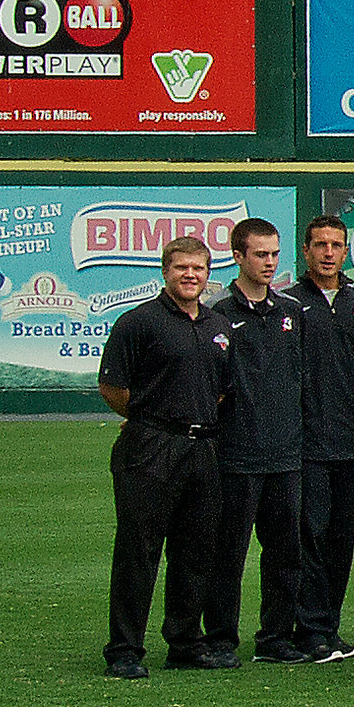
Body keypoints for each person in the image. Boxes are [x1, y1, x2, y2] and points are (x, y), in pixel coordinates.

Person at [98, 234, 234, 678]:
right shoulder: (138, 323)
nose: (190, 276)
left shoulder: (218, 325)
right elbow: (114, 388)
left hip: (204, 447)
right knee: (139, 550)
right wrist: (149, 419)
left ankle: (184, 642)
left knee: (195, 551)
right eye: (181, 268)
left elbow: (221, 391)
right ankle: (124, 648)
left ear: (209, 274)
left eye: (198, 268)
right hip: (151, 447)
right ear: (165, 271)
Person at [202, 217, 307, 665]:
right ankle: (221, 638)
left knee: (285, 552)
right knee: (228, 553)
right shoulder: (218, 315)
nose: (268, 262)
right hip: (236, 454)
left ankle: (276, 638)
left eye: (274, 254)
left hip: (285, 453)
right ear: (238, 255)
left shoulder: (289, 313)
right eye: (259, 254)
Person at [281, 213, 354, 663]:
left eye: (335, 245)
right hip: (306, 442)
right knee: (310, 536)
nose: (327, 253)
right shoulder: (286, 304)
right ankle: (309, 629)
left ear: (346, 251)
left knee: (342, 537)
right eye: (319, 244)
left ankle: (329, 627)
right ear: (306, 251)